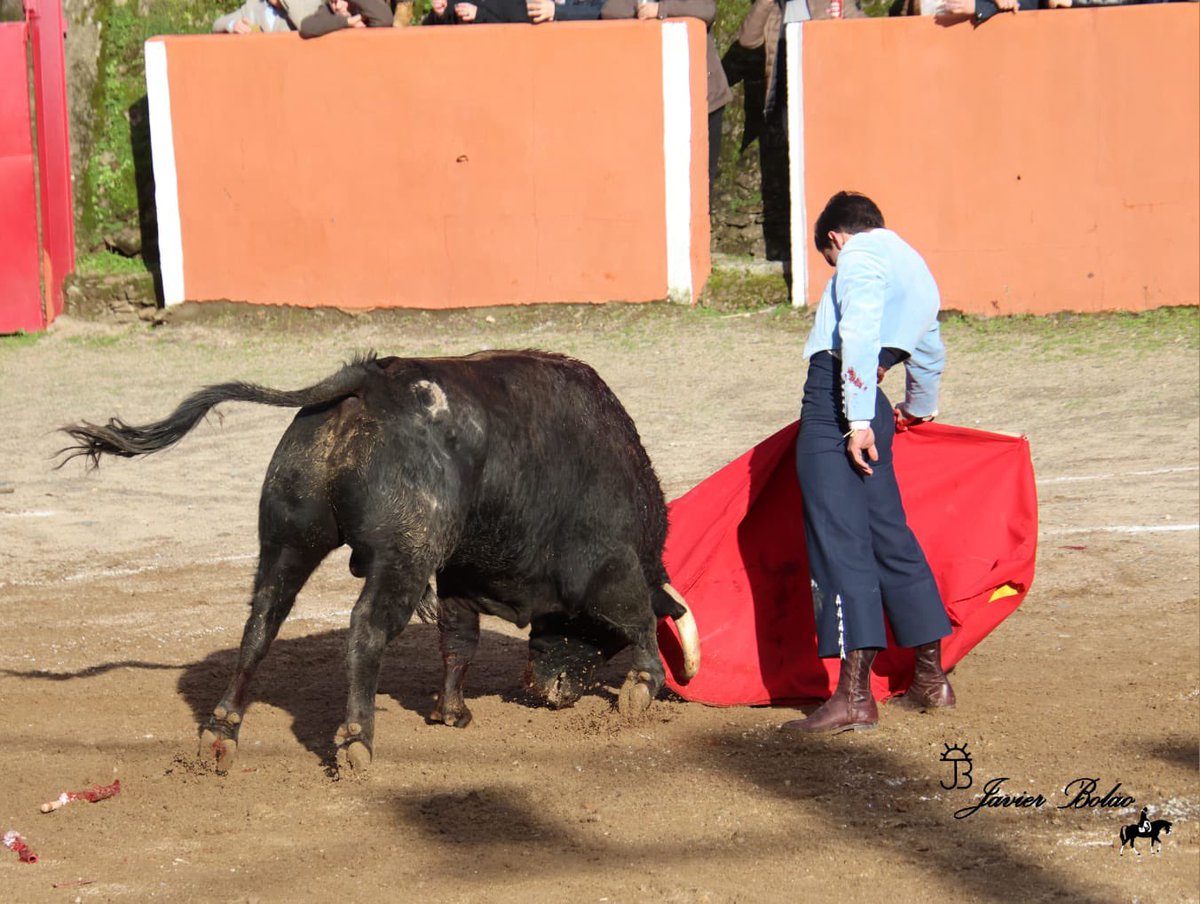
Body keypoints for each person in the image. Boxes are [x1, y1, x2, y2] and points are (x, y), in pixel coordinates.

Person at [781, 190, 954, 734]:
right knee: (888, 536)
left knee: (841, 541)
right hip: (873, 403)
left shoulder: (858, 257)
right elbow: (930, 352)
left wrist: (855, 420)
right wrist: (916, 408)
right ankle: (931, 678)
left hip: (839, 401)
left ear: (835, 238)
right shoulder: (916, 266)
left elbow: (856, 330)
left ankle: (854, 697)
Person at [600, 0, 732, 197]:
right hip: (660, 102)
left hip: (705, 99)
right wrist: (642, 7)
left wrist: (661, 10)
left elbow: (706, 10)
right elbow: (610, 10)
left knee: (702, 186)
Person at [298, 0, 393, 37]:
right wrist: (348, 22)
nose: (338, 6)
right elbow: (306, 27)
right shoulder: (330, 10)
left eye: (342, 0)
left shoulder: (365, 6)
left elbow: (385, 18)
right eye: (334, 1)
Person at [212, 0, 297, 32]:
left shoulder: (302, 4)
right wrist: (233, 25)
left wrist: (282, 3)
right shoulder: (253, 5)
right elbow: (217, 24)